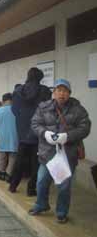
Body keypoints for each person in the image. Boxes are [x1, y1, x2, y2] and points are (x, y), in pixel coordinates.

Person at [29, 79, 91, 223]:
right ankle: (41, 204)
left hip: (67, 155)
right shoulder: (43, 107)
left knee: (63, 187)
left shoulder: (78, 109)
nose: (62, 94)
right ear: (54, 92)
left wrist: (67, 136)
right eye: (59, 90)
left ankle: (61, 212)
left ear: (69, 93)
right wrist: (45, 133)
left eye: (65, 91)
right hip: (47, 153)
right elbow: (35, 123)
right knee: (41, 182)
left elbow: (85, 127)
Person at [9, 67, 52, 196]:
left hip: (22, 130)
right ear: (40, 77)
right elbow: (48, 110)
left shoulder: (17, 91)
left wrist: (22, 119)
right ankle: (31, 189)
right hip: (39, 131)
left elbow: (14, 110)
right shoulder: (45, 91)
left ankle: (13, 185)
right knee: (36, 162)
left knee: (20, 159)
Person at [0, 93, 18, 182]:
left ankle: (1, 173)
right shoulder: (17, 110)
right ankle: (8, 174)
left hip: (1, 135)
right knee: (13, 156)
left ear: (3, 100)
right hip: (14, 135)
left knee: (2, 155)